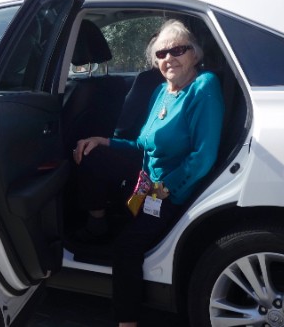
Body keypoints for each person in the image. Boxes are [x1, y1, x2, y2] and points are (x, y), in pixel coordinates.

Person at [73, 19, 224, 326]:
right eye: (161, 53)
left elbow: (202, 156)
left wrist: (166, 187)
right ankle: (97, 223)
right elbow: (144, 142)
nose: (169, 57)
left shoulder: (203, 87)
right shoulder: (161, 92)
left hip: (178, 187)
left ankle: (127, 321)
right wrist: (105, 142)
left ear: (194, 53)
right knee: (93, 155)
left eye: (178, 49)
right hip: (148, 181)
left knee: (126, 247)